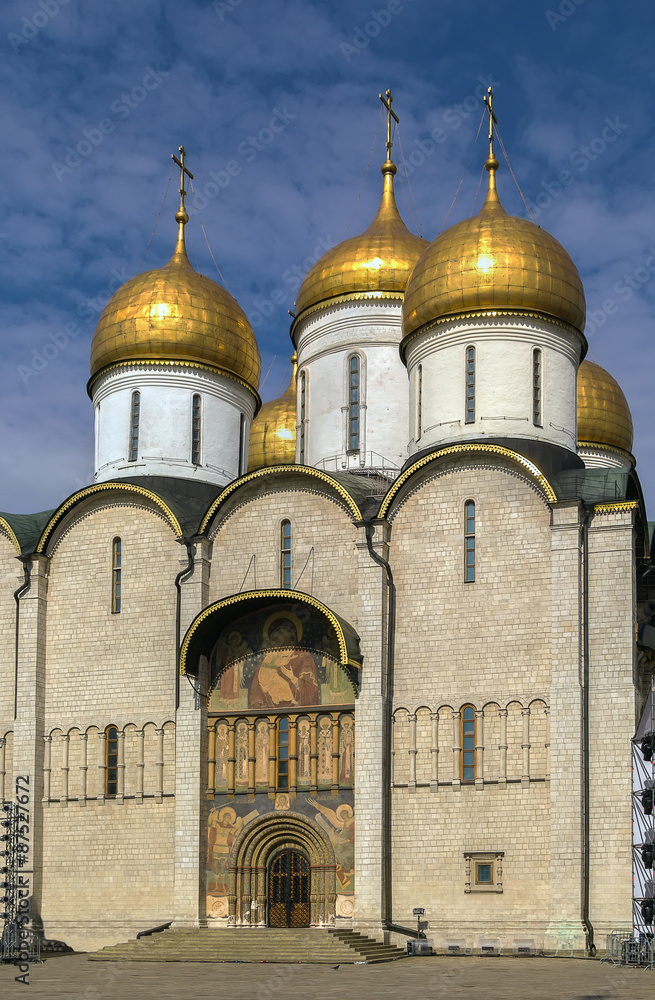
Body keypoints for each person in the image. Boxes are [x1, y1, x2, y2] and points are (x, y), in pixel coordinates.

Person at [249, 618, 318, 708]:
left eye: (282, 635)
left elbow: (310, 691)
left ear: (292, 639)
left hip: (298, 710)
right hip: (269, 710)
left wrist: (292, 678)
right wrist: (261, 694)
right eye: (276, 637)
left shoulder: (303, 656)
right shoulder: (271, 656)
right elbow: (257, 685)